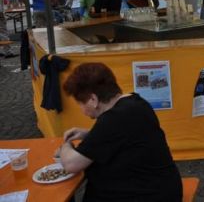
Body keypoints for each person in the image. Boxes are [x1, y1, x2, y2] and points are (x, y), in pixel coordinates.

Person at [59, 63, 182, 201]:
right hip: (163, 190)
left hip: (150, 195)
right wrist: (88, 134)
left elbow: (71, 164)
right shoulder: (136, 102)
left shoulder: (112, 119)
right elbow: (122, 138)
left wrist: (65, 146)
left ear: (93, 100)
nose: (82, 110)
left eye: (81, 104)